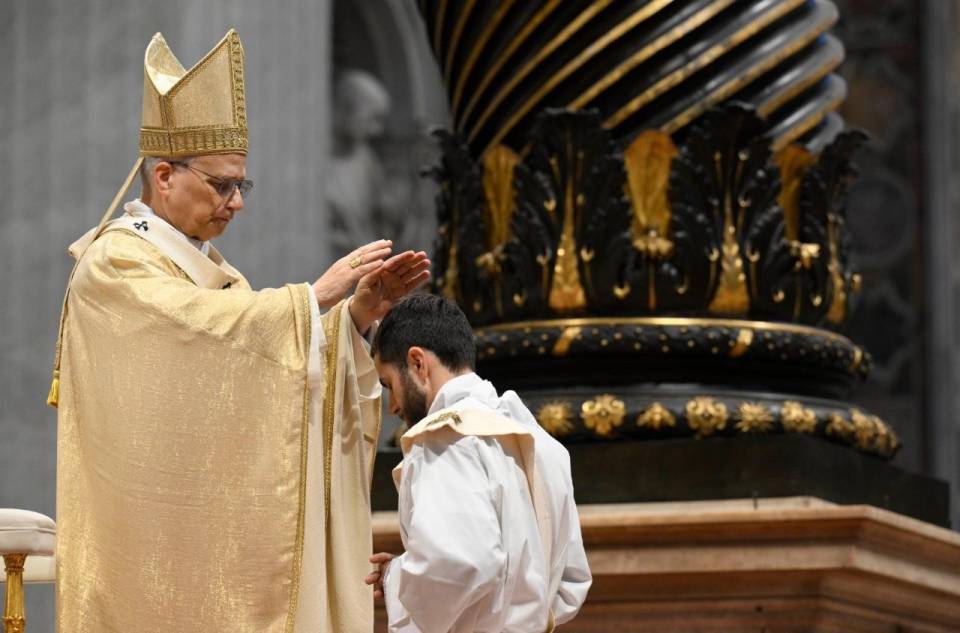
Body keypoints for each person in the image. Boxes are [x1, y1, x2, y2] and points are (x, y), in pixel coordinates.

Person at [50, 29, 429, 633]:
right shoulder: (118, 265)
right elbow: (203, 338)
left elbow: (262, 373)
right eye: (222, 185)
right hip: (150, 548)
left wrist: (354, 317)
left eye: (241, 185)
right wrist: (315, 297)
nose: (237, 202)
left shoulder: (216, 275)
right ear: (166, 176)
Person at [366, 295, 591, 632]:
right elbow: (571, 581)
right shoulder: (540, 442)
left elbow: (461, 564)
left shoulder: (446, 439)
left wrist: (396, 576)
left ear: (417, 363)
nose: (393, 406)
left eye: (389, 385)